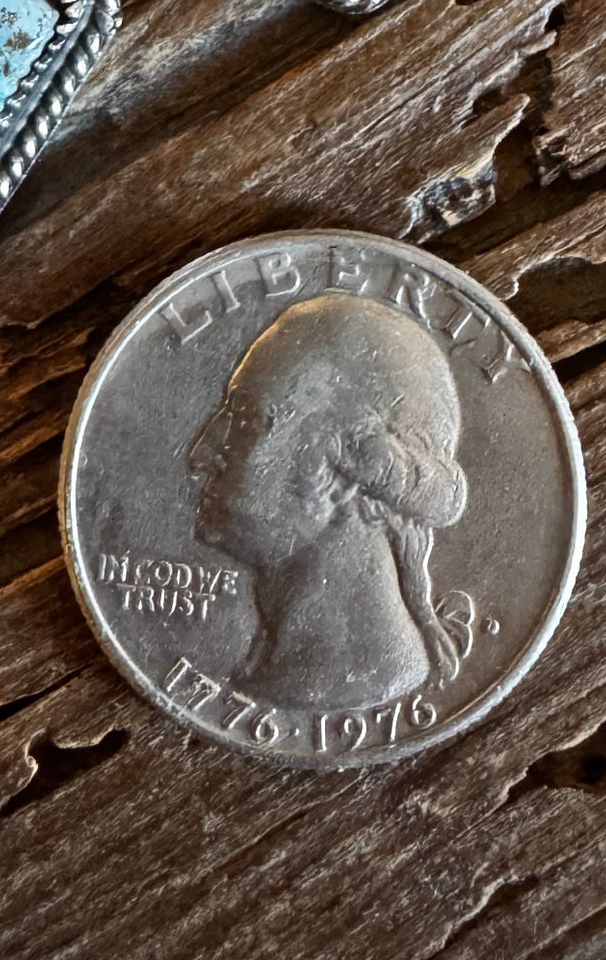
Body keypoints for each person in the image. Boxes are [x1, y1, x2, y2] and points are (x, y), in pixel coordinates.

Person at [188, 291, 468, 709]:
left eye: (246, 419)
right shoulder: (272, 667)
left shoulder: (357, 677)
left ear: (348, 472)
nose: (201, 454)